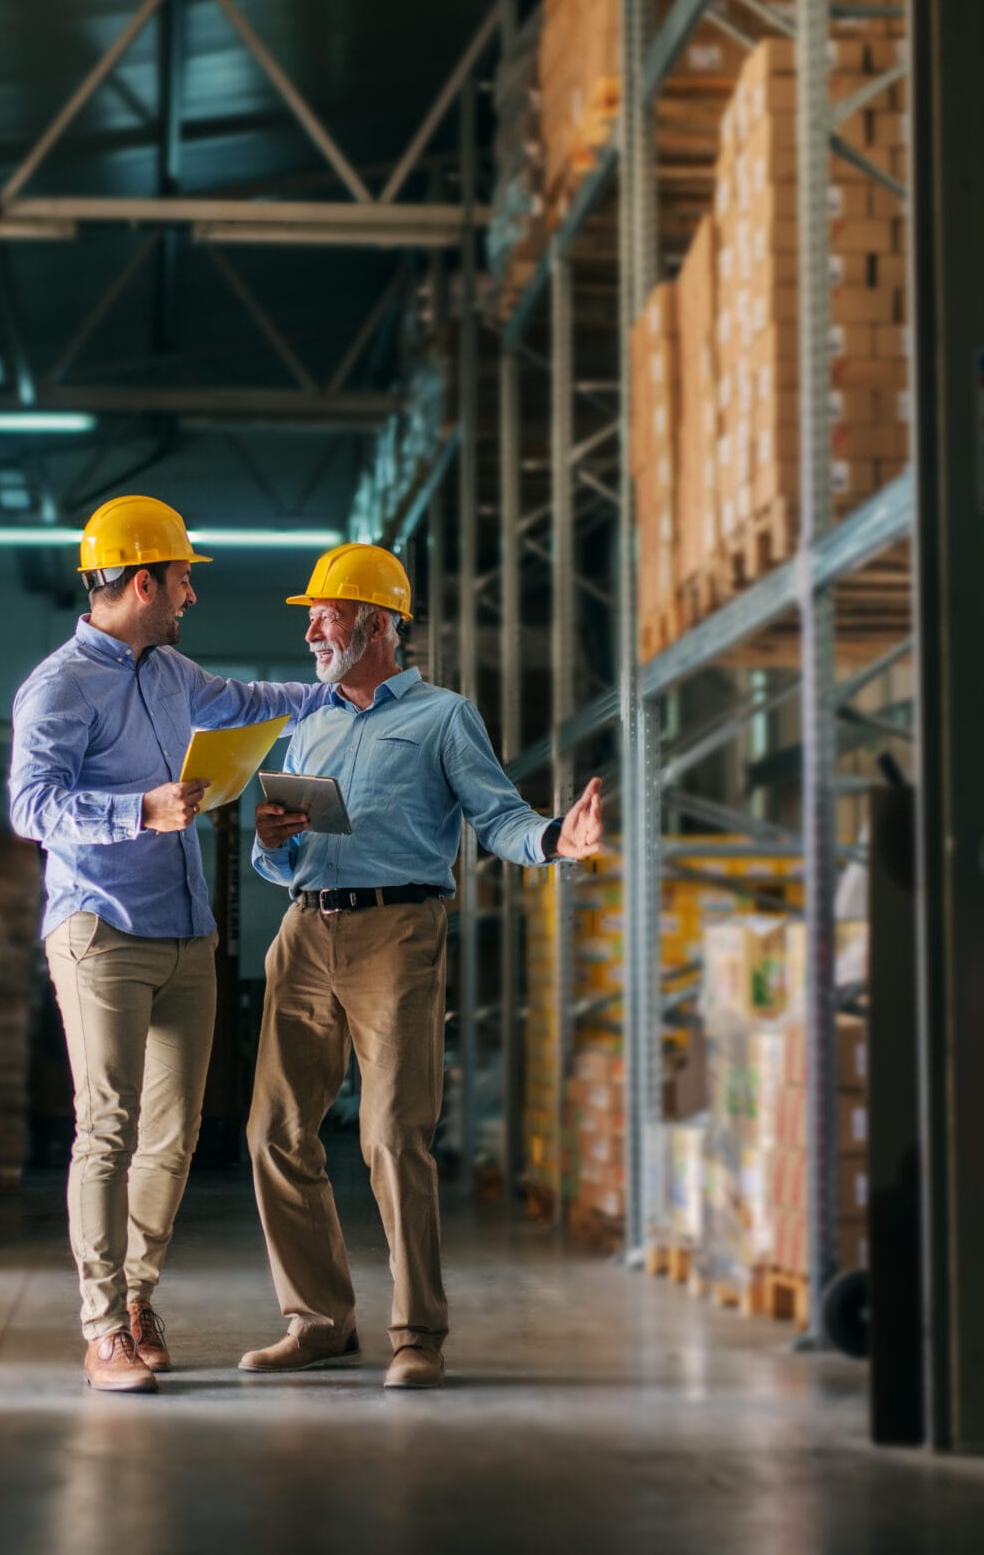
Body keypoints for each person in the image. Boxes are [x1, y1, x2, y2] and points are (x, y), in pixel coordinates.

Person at [240, 542, 603, 1389]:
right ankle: (318, 1320)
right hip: (303, 933)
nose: (311, 630)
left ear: (378, 622)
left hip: (397, 932)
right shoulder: (309, 720)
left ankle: (418, 1333)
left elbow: (500, 817)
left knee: (392, 1134)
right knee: (272, 1131)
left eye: (324, 613)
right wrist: (269, 844)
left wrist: (557, 840)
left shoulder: (443, 716)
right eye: (310, 616)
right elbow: (281, 853)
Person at [9, 495, 335, 1394]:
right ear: (144, 580)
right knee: (105, 1127)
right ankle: (102, 1325)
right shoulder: (58, 685)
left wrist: (335, 687)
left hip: (186, 932)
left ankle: (139, 1296)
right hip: (101, 930)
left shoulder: (169, 671)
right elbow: (30, 807)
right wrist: (138, 809)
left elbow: (245, 700)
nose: (191, 595)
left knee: (175, 1134)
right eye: (184, 578)